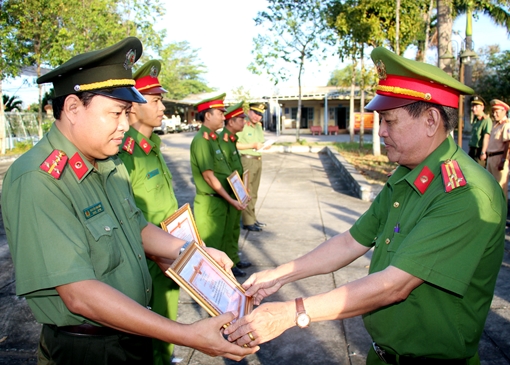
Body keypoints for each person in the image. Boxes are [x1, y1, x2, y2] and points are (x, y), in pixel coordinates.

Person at [224, 47, 506, 365]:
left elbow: (393, 285)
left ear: (430, 120)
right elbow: (351, 241)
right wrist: (279, 275)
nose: (380, 131)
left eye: (389, 121)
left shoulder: (465, 194)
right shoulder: (408, 174)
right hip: (382, 355)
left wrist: (294, 312)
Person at [1, 37, 257, 364]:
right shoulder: (40, 179)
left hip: (130, 336)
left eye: (127, 113)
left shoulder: (108, 162)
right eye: (116, 113)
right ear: (73, 108)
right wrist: (185, 334)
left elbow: (135, 225)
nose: (125, 125)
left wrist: (195, 253)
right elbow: (79, 295)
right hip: (87, 351)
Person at [118, 59, 180, 365]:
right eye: (155, 100)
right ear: (134, 105)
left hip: (168, 253)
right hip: (148, 260)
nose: (162, 108)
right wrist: (161, 255)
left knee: (167, 327)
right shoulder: (123, 153)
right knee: (149, 332)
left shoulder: (151, 146)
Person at [190, 94, 248, 277]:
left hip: (220, 200)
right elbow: (209, 177)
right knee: (211, 249)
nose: (224, 117)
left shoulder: (213, 139)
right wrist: (231, 199)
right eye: (220, 113)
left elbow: (226, 170)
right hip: (211, 202)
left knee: (222, 242)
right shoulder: (202, 141)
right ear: (208, 115)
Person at [219, 101, 252, 277]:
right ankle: (229, 263)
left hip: (236, 192)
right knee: (226, 231)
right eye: (240, 119)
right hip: (229, 193)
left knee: (234, 229)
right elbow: (224, 172)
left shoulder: (231, 140)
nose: (244, 122)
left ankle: (235, 259)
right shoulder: (222, 142)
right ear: (230, 122)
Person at [236, 103, 266, 232]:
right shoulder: (243, 125)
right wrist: (252, 145)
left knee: (254, 192)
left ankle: (252, 218)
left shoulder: (258, 127)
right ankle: (248, 222)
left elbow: (260, 142)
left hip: (258, 160)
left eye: (260, 114)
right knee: (247, 192)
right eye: (255, 112)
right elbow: (235, 144)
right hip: (247, 160)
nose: (257, 116)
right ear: (249, 111)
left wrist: (263, 145)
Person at [486, 99, 510, 202]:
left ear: (504, 111)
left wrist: (504, 160)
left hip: (499, 158)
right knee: (490, 186)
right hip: (491, 157)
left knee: (500, 188)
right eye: (493, 111)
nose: (494, 114)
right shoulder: (496, 125)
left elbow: (508, 143)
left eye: (497, 111)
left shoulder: (506, 125)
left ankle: (502, 213)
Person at [468, 96, 492, 167]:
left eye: (476, 107)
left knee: (478, 172)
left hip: (479, 151)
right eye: (472, 106)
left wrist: (483, 152)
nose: (473, 109)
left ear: (482, 107)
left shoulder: (486, 120)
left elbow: (486, 137)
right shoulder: (476, 119)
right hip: (472, 150)